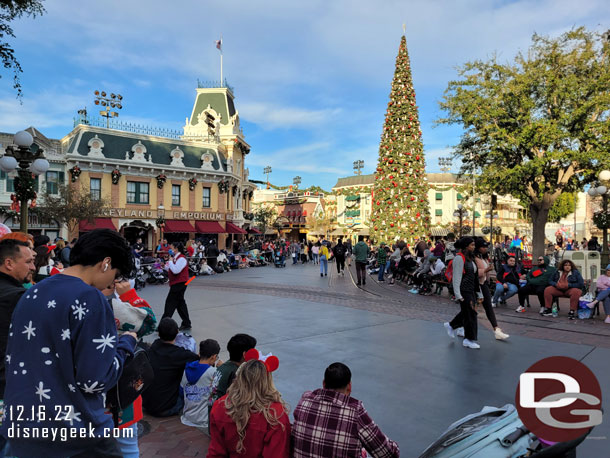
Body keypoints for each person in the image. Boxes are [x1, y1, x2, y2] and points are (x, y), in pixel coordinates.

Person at [1, 229, 138, 457]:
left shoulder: (32, 292)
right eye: (115, 274)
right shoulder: (89, 298)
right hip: (73, 433)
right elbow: (94, 380)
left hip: (23, 428)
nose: (112, 282)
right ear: (106, 263)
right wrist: (125, 346)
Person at [292, 362, 399, 458]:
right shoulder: (355, 412)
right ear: (349, 387)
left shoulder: (304, 401)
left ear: (324, 384)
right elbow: (388, 454)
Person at [102, 279, 157, 458]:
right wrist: (129, 294)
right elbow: (149, 321)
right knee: (128, 448)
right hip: (121, 394)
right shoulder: (110, 306)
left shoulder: (68, 302)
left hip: (86, 403)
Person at [208, 357, 290, 457]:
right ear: (267, 381)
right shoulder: (275, 414)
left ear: (239, 378)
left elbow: (216, 452)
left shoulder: (221, 406)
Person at [143, 318, 199, 417]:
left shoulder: (152, 348)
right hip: (166, 407)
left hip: (146, 403)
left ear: (159, 334)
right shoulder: (180, 354)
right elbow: (200, 360)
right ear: (177, 333)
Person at [444, 237, 481, 349]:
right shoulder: (459, 259)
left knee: (467, 312)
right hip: (464, 290)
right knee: (471, 314)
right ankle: (469, 339)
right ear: (466, 246)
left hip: (471, 290)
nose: (474, 247)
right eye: (472, 245)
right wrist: (458, 294)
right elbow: (457, 277)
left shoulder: (470, 259)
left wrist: (479, 293)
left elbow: (474, 278)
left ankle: (451, 325)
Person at [210, 333, 257, 415]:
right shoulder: (238, 374)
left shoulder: (223, 366)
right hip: (223, 415)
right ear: (245, 354)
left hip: (213, 412)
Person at [180, 339, 222, 432]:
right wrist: (221, 369)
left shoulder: (186, 369)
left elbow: (181, 391)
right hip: (203, 420)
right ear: (214, 357)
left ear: (199, 353)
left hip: (187, 417)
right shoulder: (213, 372)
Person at [473, 238, 509, 340]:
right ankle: (455, 325)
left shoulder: (483, 257)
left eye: (486, 247)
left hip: (483, 284)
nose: (485, 249)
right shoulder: (474, 258)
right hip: (476, 285)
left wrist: (488, 277)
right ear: (478, 248)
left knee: (488, 306)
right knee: (471, 309)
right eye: (483, 247)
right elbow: (474, 273)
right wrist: (486, 270)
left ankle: (496, 330)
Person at [162, 242, 192, 331]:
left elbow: (176, 270)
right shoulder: (175, 258)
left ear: (176, 249)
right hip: (177, 283)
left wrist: (170, 262)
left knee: (170, 303)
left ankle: (164, 324)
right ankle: (186, 323)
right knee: (180, 304)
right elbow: (171, 269)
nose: (170, 250)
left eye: (171, 248)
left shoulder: (182, 259)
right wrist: (164, 266)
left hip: (179, 284)